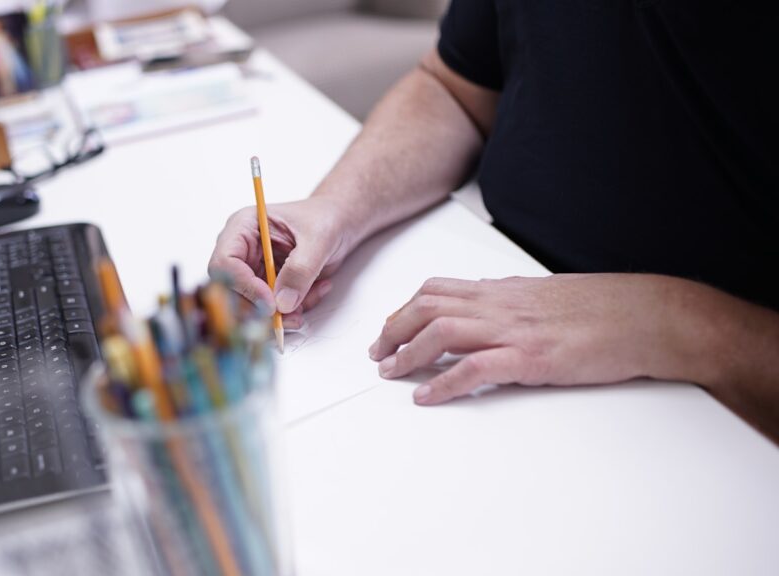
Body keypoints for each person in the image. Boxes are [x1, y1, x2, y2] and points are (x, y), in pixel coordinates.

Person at [208, 1, 779, 443]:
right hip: (503, 306)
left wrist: (679, 322)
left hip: (713, 421)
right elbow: (455, 88)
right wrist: (334, 209)